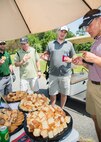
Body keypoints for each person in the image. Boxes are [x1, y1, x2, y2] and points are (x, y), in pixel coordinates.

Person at [72, 9, 101, 141]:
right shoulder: (96, 41)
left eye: (89, 25)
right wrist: (83, 63)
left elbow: (96, 61)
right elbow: (95, 67)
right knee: (94, 117)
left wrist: (94, 59)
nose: (87, 30)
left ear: (99, 20)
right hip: (91, 85)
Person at [41, 26, 76, 109]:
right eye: (61, 31)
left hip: (65, 74)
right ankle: (52, 108)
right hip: (53, 74)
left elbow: (74, 56)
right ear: (58, 31)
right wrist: (45, 57)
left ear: (66, 34)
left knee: (64, 93)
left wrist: (71, 59)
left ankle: (62, 108)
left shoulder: (69, 44)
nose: (62, 33)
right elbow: (46, 54)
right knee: (52, 93)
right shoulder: (50, 44)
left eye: (65, 32)